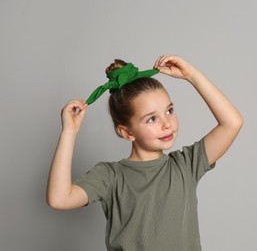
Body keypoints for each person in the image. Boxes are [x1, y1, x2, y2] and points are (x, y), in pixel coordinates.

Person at [46, 55, 243, 251]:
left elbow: (232, 123)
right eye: (151, 119)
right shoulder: (110, 176)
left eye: (169, 110)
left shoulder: (186, 165)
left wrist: (192, 75)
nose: (167, 124)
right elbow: (59, 198)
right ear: (127, 132)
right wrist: (69, 132)